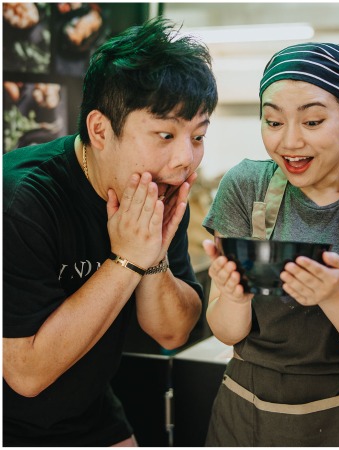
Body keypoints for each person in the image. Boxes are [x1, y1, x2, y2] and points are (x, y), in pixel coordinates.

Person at [2, 17, 218, 446]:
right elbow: (25, 373)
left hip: (90, 408)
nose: (185, 159)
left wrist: (153, 257)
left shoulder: (158, 188)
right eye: (164, 133)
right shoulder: (22, 198)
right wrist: (125, 260)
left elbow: (173, 332)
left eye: (197, 136)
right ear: (101, 130)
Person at [201, 42, 339, 446]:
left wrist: (333, 296)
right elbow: (225, 330)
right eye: (273, 122)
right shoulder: (244, 186)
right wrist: (235, 298)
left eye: (311, 122)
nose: (289, 143)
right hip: (244, 411)